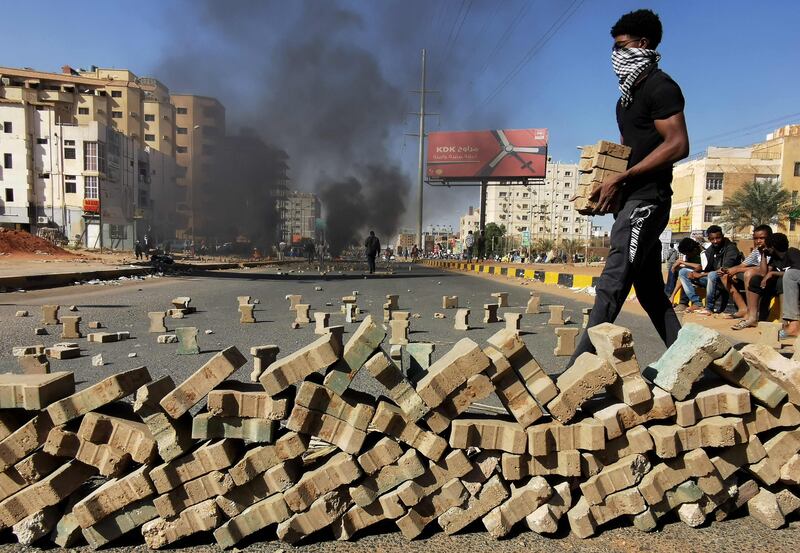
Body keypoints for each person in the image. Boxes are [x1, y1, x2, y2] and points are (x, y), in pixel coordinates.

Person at [569, 9, 689, 367]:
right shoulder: (625, 99)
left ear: (643, 44)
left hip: (649, 200)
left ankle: (577, 373)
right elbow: (626, 151)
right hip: (631, 201)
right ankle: (688, 358)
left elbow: (678, 144)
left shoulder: (661, 87)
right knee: (650, 290)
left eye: (621, 47)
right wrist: (608, 186)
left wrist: (622, 179)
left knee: (613, 280)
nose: (615, 56)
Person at [677, 225, 741, 314]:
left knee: (712, 275)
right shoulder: (711, 249)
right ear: (709, 239)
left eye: (718, 238)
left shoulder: (730, 248)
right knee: (683, 272)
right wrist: (695, 272)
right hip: (712, 279)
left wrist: (701, 274)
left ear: (722, 236)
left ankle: (709, 307)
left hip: (727, 280)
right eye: (712, 239)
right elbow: (704, 266)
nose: (715, 241)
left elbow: (724, 270)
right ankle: (697, 303)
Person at [733, 232, 789, 330]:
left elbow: (794, 273)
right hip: (772, 285)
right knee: (755, 280)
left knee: (781, 281)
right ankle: (753, 318)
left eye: (767, 246)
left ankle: (783, 322)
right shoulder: (773, 257)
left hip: (787, 286)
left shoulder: (792, 253)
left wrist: (772, 274)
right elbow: (763, 273)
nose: (760, 242)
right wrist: (764, 254)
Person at [720, 224, 773, 323]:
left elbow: (765, 269)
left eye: (762, 238)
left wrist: (738, 270)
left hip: (767, 276)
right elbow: (743, 264)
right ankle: (742, 309)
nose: (758, 241)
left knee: (749, 273)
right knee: (724, 276)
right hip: (756, 273)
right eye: (756, 238)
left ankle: (751, 311)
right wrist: (729, 270)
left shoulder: (772, 250)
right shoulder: (757, 250)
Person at [665, 237, 703, 307]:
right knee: (673, 268)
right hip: (691, 272)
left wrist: (682, 262)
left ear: (694, 250)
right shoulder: (690, 255)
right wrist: (677, 265)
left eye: (687, 254)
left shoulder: (703, 253)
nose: (687, 255)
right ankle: (668, 297)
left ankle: (683, 302)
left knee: (685, 273)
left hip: (701, 275)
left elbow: (701, 266)